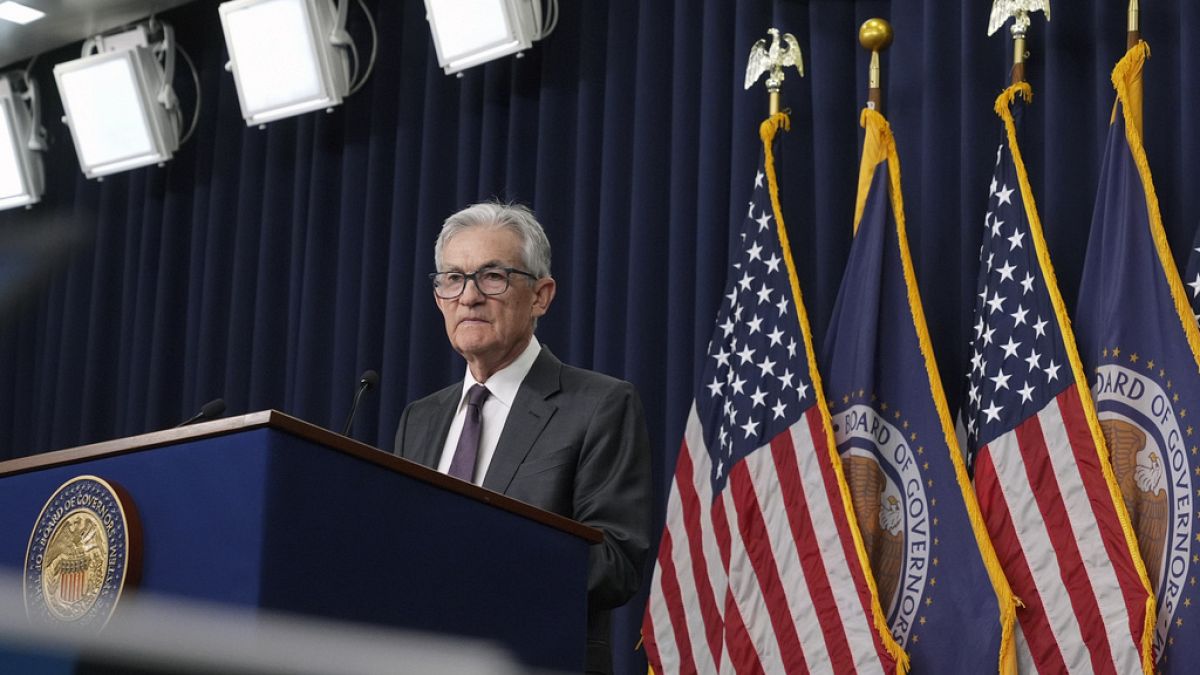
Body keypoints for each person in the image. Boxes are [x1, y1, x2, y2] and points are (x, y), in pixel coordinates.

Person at [393, 201, 651, 674]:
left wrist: (482, 552)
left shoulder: (599, 404)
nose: (469, 297)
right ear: (439, 297)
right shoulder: (420, 418)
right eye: (453, 279)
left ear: (540, 296)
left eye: (492, 276)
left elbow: (616, 563)